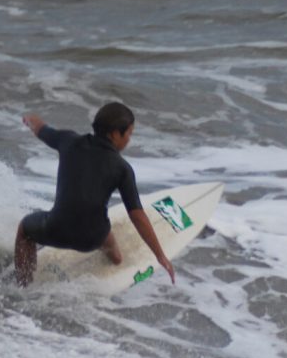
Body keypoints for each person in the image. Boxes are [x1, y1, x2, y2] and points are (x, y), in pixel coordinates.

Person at [13, 101, 175, 287]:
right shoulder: (122, 168)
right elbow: (137, 215)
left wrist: (29, 119)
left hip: (56, 229)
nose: (129, 140)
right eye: (129, 134)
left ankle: (23, 286)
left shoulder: (68, 141)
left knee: (24, 230)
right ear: (115, 133)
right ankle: (116, 257)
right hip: (92, 238)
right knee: (104, 231)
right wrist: (160, 256)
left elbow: (41, 129)